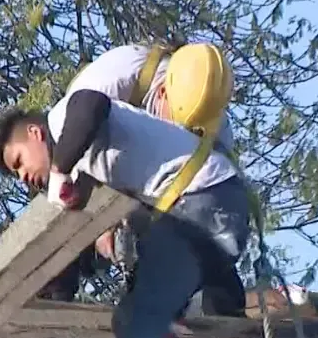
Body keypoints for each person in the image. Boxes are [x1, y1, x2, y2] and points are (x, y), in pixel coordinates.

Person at [0, 43, 250, 338]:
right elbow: (79, 251)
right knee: (133, 322)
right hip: (207, 209)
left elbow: (92, 103)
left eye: (18, 162)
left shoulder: (66, 116)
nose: (23, 177)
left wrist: (58, 174)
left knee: (142, 324)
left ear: (35, 134)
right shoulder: (88, 158)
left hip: (199, 204)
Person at [39, 42, 247, 315]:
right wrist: (104, 224)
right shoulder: (115, 76)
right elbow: (80, 130)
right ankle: (53, 297)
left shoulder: (215, 129)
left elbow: (213, 198)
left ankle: (220, 309)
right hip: (96, 163)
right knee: (66, 206)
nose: (177, 132)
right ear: (162, 92)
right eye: (173, 118)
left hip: (173, 195)